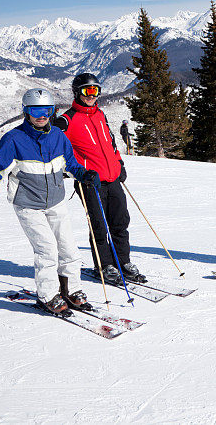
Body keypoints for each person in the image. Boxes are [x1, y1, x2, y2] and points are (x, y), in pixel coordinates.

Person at [0, 88, 100, 314]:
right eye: (35, 110)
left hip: (56, 201)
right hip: (28, 204)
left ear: (52, 111)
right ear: (26, 111)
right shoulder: (14, 139)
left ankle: (71, 290)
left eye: (46, 110)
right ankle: (48, 296)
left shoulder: (58, 137)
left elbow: (69, 163)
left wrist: (83, 174)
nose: (41, 115)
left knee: (69, 249)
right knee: (47, 250)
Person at [53, 73, 146, 284]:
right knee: (99, 226)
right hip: (90, 182)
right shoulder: (67, 121)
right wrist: (78, 172)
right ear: (78, 93)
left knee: (120, 222)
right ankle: (105, 266)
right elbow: (58, 154)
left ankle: (123, 262)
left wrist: (119, 163)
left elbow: (110, 143)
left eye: (95, 91)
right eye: (87, 91)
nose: (91, 95)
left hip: (112, 178)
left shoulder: (100, 115)